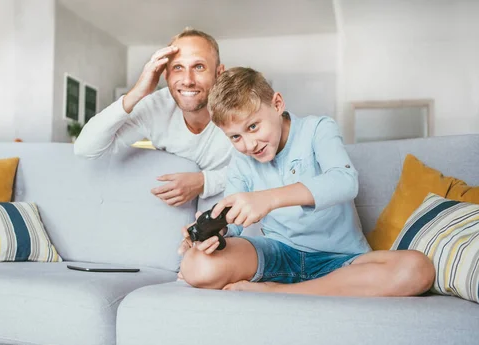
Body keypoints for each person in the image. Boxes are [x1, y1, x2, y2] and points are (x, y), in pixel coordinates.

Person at [178, 67, 435, 297]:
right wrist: (215, 233)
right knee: (195, 265)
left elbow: (345, 181)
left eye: (254, 126)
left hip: (342, 260)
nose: (249, 144)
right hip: (278, 254)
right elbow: (234, 224)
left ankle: (281, 291)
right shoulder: (241, 160)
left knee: (417, 269)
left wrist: (267, 198)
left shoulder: (318, 129)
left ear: (277, 104)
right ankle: (304, 289)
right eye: (235, 137)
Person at [74, 28, 232, 206]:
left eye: (199, 67)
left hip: (235, 209)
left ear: (219, 73)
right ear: (166, 74)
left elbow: (261, 165)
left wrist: (204, 181)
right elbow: (85, 149)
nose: (188, 80)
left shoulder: (238, 105)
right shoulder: (155, 106)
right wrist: (137, 92)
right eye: (178, 67)